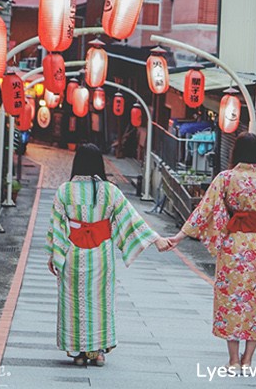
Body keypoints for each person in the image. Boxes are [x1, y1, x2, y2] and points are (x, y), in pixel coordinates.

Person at [47, 143, 171, 367]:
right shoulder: (110, 191)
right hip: (101, 254)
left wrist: (54, 255)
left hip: (73, 252)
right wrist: (156, 239)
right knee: (100, 303)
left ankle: (79, 352)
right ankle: (98, 352)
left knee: (73, 301)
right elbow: (131, 217)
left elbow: (57, 227)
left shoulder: (64, 190)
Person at [167, 132, 256, 371]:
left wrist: (180, 236)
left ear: (236, 152)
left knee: (231, 301)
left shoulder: (226, 178)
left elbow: (204, 209)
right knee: (255, 303)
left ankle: (233, 360)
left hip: (232, 246)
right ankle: (248, 361)